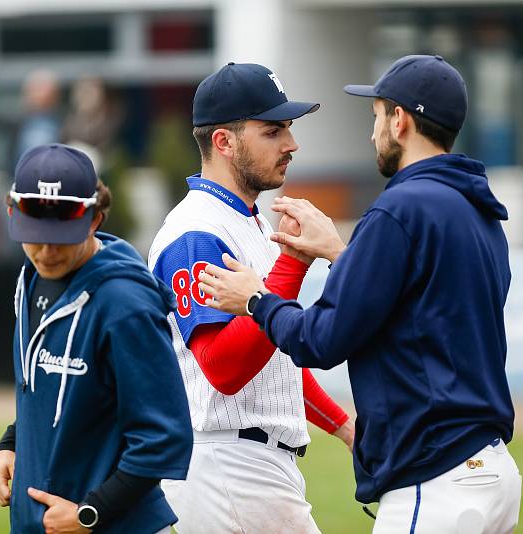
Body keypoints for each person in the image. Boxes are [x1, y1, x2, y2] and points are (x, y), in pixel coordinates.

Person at [198, 55, 522, 533]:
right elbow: (415, 307)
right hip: (491, 472)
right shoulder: (479, 211)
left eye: (376, 117)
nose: (373, 133)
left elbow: (322, 341)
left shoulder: (399, 208)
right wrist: (341, 252)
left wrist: (256, 300)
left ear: (401, 120)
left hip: (433, 476)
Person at [148, 62, 355, 534]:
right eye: (273, 130)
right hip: (226, 465)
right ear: (223, 141)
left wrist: (345, 428)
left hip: (247, 465)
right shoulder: (196, 232)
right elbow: (224, 367)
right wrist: (293, 266)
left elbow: (275, 367)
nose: (291, 143)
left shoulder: (247, 221)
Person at [0, 143, 193, 534]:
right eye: (34, 235)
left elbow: (165, 436)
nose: (46, 252)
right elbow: (48, 390)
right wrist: (11, 443)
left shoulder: (126, 302)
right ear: (14, 212)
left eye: (61, 237)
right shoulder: (30, 279)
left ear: (95, 218)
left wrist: (90, 513)